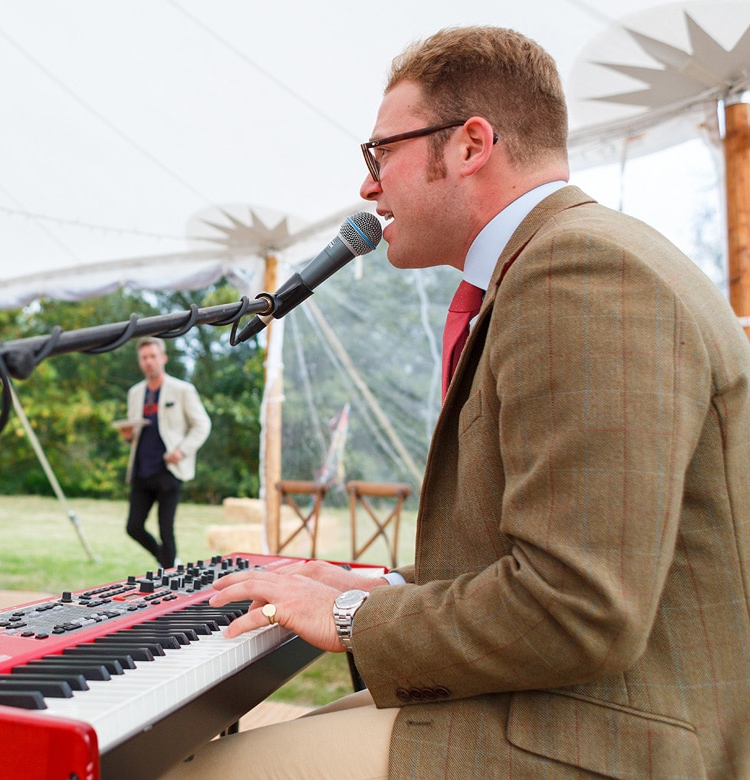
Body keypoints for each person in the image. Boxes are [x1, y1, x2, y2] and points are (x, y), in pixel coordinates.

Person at [163, 27, 750, 779]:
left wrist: (348, 618)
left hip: (611, 740)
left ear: (471, 144)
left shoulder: (581, 269)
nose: (368, 187)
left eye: (380, 155)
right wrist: (378, 587)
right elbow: (535, 560)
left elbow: (578, 607)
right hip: (567, 710)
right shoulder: (556, 263)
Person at [119, 337, 210, 569]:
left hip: (169, 469)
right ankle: (168, 563)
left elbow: (202, 425)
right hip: (142, 469)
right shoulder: (135, 393)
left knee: (165, 530)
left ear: (163, 358)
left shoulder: (183, 390)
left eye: (152, 356)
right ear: (139, 362)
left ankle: (170, 580)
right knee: (133, 527)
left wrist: (182, 451)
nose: (148, 361)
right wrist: (128, 435)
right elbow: (134, 433)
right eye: (144, 357)